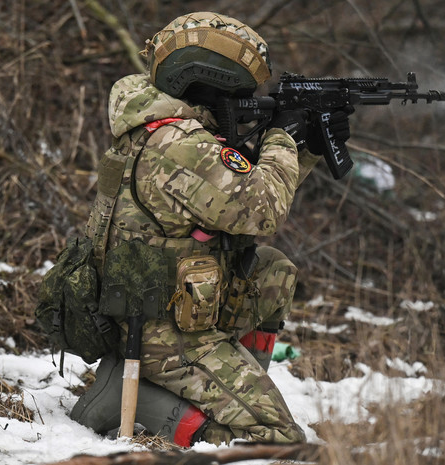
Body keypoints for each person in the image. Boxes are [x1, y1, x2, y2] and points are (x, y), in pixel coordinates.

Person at [68, 12, 351, 446]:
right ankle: (136, 397)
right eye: (239, 90)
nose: (245, 97)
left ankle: (229, 386)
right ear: (211, 81)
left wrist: (305, 147)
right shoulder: (179, 145)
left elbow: (241, 205)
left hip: (173, 309)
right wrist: (279, 136)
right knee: (276, 438)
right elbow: (262, 210)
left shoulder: (171, 132)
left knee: (271, 271)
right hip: (162, 333)